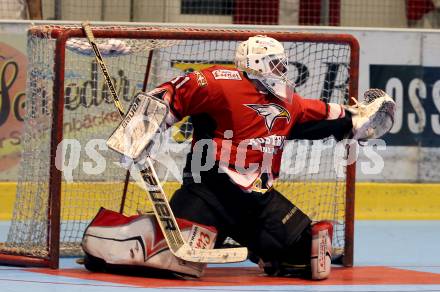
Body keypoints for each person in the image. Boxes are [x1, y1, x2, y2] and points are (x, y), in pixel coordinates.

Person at [83, 35, 395, 279]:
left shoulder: (290, 101)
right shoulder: (220, 81)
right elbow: (172, 94)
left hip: (259, 202)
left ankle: (259, 250)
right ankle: (106, 237)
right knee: (172, 260)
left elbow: (328, 116)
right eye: (274, 63)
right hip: (209, 193)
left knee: (314, 256)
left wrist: (359, 119)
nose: (281, 70)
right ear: (255, 61)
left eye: (281, 64)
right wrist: (141, 131)